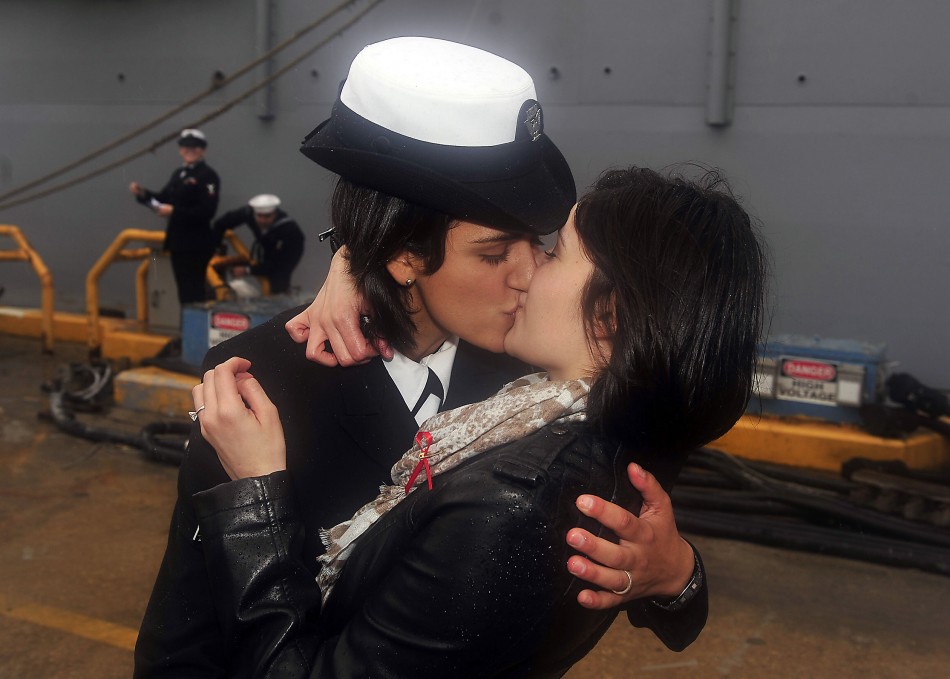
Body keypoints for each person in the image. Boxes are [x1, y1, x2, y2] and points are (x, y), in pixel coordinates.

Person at [133, 38, 703, 677]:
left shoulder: (537, 380)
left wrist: (677, 575)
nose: (527, 277)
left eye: (537, 246)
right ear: (405, 255)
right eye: (493, 255)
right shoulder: (262, 387)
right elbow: (184, 639)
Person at [191, 164, 767, 677]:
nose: (525, 272)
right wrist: (356, 255)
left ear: (611, 314)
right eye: (498, 254)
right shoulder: (587, 413)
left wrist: (254, 498)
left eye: (552, 250)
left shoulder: (511, 496)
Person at [129, 128, 221, 304]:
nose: (190, 151)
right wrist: (143, 194)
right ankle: (187, 329)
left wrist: (174, 212)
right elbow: (163, 198)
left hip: (195, 243)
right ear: (180, 150)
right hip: (179, 242)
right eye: (186, 147)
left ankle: (192, 329)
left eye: (195, 147)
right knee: (184, 291)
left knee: (193, 291)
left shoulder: (207, 176)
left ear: (203, 150)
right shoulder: (180, 174)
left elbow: (207, 211)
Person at [212, 193, 305, 295]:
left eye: (267, 216)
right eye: (259, 216)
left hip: (288, 251)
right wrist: (215, 249)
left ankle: (280, 295)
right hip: (267, 245)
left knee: (279, 278)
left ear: (275, 213)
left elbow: (277, 266)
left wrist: (247, 270)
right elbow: (221, 224)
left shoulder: (290, 231)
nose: (262, 220)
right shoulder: (249, 213)